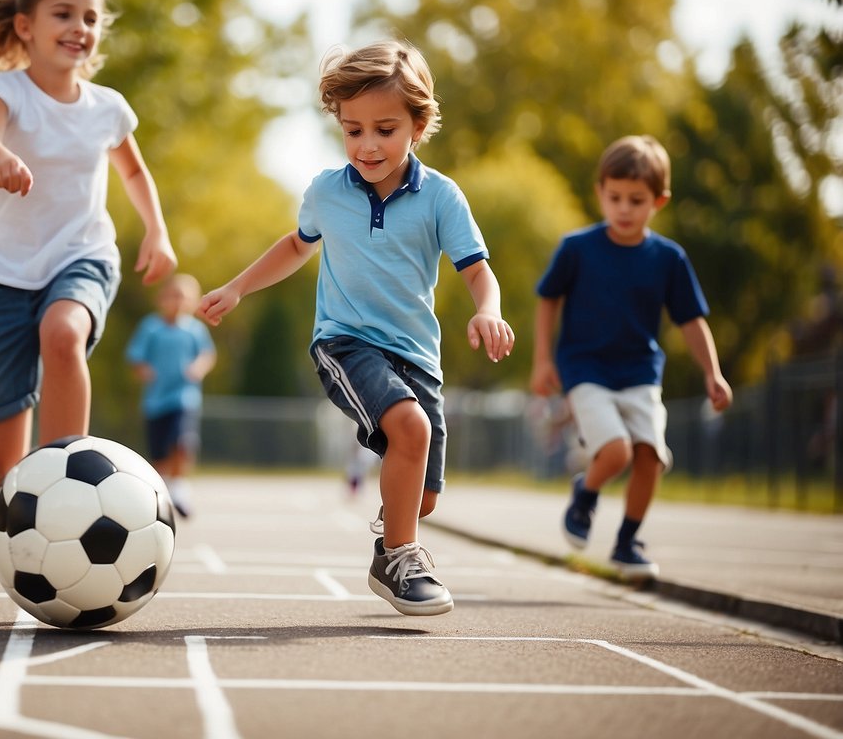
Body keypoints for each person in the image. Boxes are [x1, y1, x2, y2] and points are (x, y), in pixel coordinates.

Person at [198, 40, 514, 616]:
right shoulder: (327, 191)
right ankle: (402, 560)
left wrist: (487, 310)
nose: (367, 145)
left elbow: (478, 273)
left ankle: (390, 546)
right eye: (353, 130)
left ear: (418, 125)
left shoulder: (442, 197)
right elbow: (296, 245)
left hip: (416, 356)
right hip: (345, 343)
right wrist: (237, 286)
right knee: (408, 429)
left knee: (422, 497)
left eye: (385, 130)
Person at [0, 0, 177, 543]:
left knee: (64, 333)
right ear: (25, 26)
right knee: (1, 444)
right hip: (2, 270)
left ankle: (64, 475)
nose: (81, 27)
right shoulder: (1, 90)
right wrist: (1, 160)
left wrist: (157, 230)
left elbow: (135, 174)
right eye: (64, 14)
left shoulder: (108, 108)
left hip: (82, 254)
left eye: (91, 17)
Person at [530, 135, 733, 580]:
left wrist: (712, 374)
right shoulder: (576, 249)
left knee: (649, 456)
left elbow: (691, 321)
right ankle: (586, 492)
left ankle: (627, 541)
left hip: (640, 373)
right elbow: (547, 300)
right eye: (614, 197)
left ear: (658, 201)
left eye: (636, 200)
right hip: (586, 371)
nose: (623, 208)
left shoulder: (668, 259)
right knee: (617, 451)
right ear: (600, 191)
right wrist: (543, 360)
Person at [125, 274, 216, 518]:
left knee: (183, 441)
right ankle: (160, 490)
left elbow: (207, 354)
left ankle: (179, 488)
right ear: (161, 298)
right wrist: (143, 370)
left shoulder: (195, 330)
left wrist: (198, 367)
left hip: (184, 397)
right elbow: (135, 355)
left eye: (184, 297)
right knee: (159, 450)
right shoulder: (151, 327)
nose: (178, 301)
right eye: (173, 295)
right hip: (156, 400)